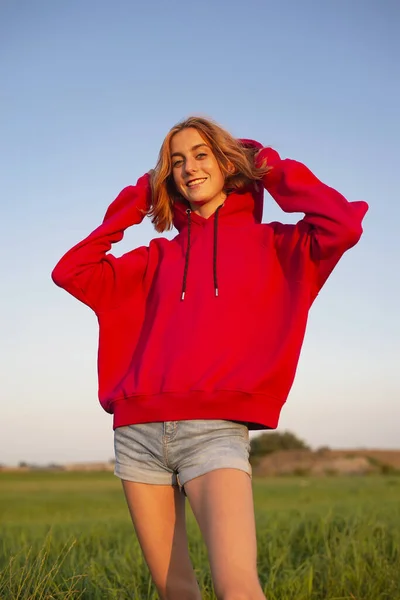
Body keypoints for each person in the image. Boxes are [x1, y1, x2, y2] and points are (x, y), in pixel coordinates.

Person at [52, 116, 368, 600]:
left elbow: (342, 224)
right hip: (137, 435)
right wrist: (139, 198)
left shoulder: (280, 245)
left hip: (214, 433)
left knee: (237, 586)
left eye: (201, 155)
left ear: (226, 162)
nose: (188, 168)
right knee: (175, 589)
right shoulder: (156, 257)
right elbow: (71, 271)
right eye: (176, 161)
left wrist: (268, 166)